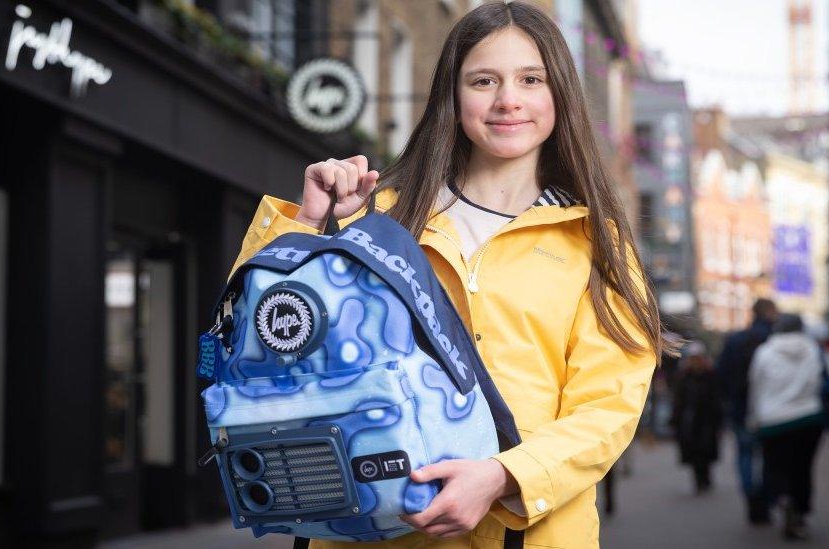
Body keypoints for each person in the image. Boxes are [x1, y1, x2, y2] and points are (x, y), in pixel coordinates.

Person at [226, 2, 670, 547]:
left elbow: (607, 408)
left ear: (560, 95)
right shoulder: (377, 217)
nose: (508, 99)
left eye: (531, 79)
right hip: (374, 527)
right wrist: (307, 224)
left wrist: (503, 477)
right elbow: (259, 342)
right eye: (484, 80)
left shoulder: (596, 243)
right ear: (453, 98)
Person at [747, 314, 826, 541]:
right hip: (809, 417)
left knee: (775, 466)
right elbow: (821, 381)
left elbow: (756, 386)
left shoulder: (765, 352)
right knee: (803, 468)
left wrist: (753, 417)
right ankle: (800, 512)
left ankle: (783, 499)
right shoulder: (811, 349)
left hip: (773, 420)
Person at [716, 298, 778, 524]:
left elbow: (721, 373)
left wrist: (730, 399)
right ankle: (766, 498)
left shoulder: (735, 340)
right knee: (769, 457)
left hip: (740, 408)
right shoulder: (774, 339)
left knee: (744, 455)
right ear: (771, 312)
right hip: (770, 409)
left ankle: (750, 496)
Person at [671, 341, 722, 494]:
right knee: (693, 451)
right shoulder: (683, 377)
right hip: (690, 421)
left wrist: (718, 420)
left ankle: (705, 478)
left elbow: (717, 399)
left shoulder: (711, 375)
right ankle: (698, 480)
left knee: (705, 450)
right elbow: (678, 400)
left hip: (707, 420)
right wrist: (675, 420)